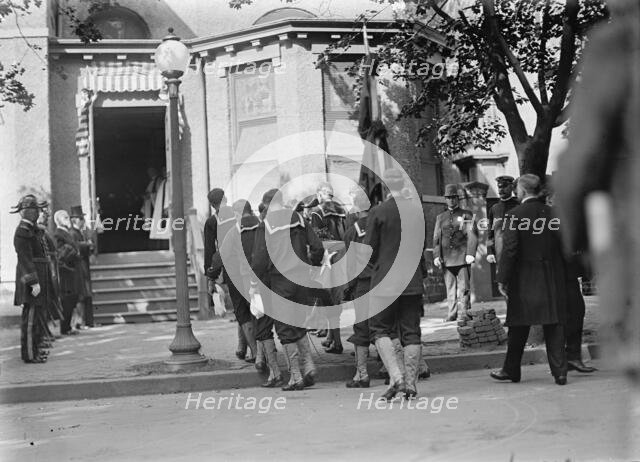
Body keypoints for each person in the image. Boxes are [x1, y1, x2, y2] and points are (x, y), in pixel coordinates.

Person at [490, 174, 568, 385]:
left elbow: (510, 250)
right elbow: (563, 246)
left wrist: (502, 278)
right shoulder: (553, 214)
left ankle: (511, 369)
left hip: (523, 279)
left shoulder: (515, 215)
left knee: (518, 326)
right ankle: (560, 372)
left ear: (522, 191)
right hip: (551, 277)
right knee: (554, 325)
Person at [251, 188, 324, 391]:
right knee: (299, 324)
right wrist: (312, 264)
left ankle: (295, 376)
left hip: (280, 281)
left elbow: (259, 259)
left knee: (284, 329)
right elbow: (318, 248)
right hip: (301, 279)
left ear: (267, 204)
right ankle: (308, 366)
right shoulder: (299, 218)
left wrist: (257, 284)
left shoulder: (266, 224)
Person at [365, 169, 426, 400]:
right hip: (412, 281)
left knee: (380, 329)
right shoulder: (416, 212)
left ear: (386, 188)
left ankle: (397, 377)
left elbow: (368, 251)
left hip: (385, 282)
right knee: (411, 331)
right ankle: (410, 384)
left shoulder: (378, 212)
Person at [11, 195, 52, 363]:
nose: (38, 213)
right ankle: (29, 354)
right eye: (36, 210)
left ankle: (34, 351)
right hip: (31, 281)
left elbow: (40, 239)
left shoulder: (31, 230)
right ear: (28, 212)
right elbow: (26, 259)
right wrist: (33, 281)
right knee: (30, 320)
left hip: (37, 278)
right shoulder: (22, 231)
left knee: (35, 318)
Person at [308, 182, 347, 353]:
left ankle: (337, 342)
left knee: (329, 300)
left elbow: (318, 237)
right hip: (342, 252)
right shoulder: (342, 209)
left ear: (319, 194)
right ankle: (331, 337)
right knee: (336, 298)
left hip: (327, 255)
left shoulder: (317, 211)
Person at [432, 184, 478, 322]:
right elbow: (436, 238)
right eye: (448, 198)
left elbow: (472, 234)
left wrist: (471, 253)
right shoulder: (441, 217)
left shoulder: (467, 214)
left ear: (457, 199)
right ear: (445, 199)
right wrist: (436, 256)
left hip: (463, 257)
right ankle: (452, 314)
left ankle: (465, 313)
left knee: (464, 288)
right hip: (447, 258)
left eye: (453, 197)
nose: (451, 200)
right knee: (450, 288)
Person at [343, 188, 373, 388]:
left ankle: (362, 374)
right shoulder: (382, 223)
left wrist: (348, 288)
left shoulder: (352, 231)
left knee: (361, 328)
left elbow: (350, 266)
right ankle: (390, 370)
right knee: (384, 326)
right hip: (383, 282)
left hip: (363, 284)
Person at [53, 210, 81, 336]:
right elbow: (60, 254)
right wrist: (72, 253)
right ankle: (65, 328)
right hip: (66, 272)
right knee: (66, 300)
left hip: (72, 270)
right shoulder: (58, 234)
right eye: (65, 218)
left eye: (68, 217)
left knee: (72, 298)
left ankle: (68, 326)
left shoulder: (66, 233)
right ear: (58, 220)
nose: (68, 220)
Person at [69, 205, 95, 328]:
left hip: (84, 264)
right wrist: (86, 244)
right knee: (81, 294)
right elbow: (75, 246)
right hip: (79, 266)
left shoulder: (81, 232)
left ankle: (88, 321)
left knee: (86, 293)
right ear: (75, 220)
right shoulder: (72, 233)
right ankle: (80, 322)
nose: (83, 221)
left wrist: (89, 245)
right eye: (81, 219)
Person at [486, 176, 519, 266]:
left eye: (504, 186)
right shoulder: (494, 209)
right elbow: (490, 233)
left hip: (518, 253)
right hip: (500, 253)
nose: (501, 190)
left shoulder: (519, 206)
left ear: (511, 187)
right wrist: (490, 252)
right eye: (499, 187)